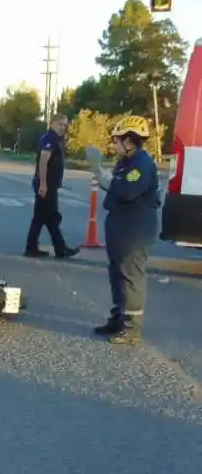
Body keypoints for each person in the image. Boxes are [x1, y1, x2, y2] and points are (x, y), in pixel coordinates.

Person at [91, 115, 161, 344]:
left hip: (135, 227)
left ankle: (132, 328)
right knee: (117, 272)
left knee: (131, 275)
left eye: (117, 140)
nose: (114, 144)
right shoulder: (127, 162)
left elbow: (127, 191)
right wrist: (104, 176)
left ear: (129, 141)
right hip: (121, 223)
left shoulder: (141, 164)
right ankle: (119, 318)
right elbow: (117, 188)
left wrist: (105, 177)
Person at [24, 114, 81, 259]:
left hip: (49, 185)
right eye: (60, 124)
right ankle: (59, 249)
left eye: (64, 125)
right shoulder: (49, 139)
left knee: (43, 218)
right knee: (51, 217)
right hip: (46, 186)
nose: (63, 127)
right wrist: (43, 185)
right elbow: (43, 162)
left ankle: (33, 248)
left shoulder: (54, 139)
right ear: (52, 124)